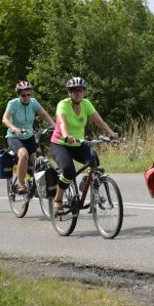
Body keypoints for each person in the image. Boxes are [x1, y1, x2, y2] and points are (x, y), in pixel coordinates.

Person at [50, 77, 119, 213]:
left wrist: (112, 133)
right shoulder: (63, 105)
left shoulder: (86, 104)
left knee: (94, 160)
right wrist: (66, 136)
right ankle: (58, 200)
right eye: (74, 91)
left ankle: (87, 183)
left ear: (84, 92)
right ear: (69, 93)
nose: (78, 93)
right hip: (61, 143)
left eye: (80, 90)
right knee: (69, 172)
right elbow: (62, 123)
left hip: (78, 143)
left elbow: (100, 121)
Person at [2, 81, 56, 194]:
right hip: (14, 137)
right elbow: (5, 119)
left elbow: (44, 114)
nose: (26, 97)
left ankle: (33, 183)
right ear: (18, 95)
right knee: (23, 155)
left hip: (29, 135)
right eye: (23, 95)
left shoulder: (33, 102)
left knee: (35, 161)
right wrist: (14, 128)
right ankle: (20, 185)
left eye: (28, 94)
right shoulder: (13, 104)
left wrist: (54, 126)